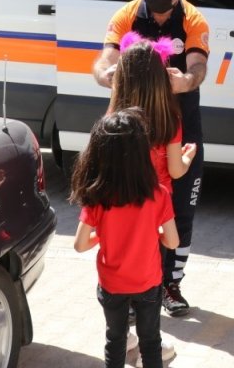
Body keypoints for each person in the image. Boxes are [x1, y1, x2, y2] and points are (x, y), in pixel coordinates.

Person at [92, 0, 209, 317]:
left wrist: (187, 81)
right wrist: (105, 75)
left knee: (180, 211)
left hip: (179, 123)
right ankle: (127, 283)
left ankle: (170, 284)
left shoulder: (192, 17)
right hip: (131, 129)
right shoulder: (126, 14)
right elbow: (104, 60)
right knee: (130, 205)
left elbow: (198, 64)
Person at [71, 109, 179, 368]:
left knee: (115, 339)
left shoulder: (97, 195)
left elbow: (79, 244)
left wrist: (103, 236)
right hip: (148, 282)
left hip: (112, 283)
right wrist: (155, 234)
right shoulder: (159, 194)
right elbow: (173, 242)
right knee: (150, 341)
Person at [110, 34, 196, 195]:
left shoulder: (113, 122)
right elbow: (176, 171)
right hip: (157, 205)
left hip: (122, 201)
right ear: (162, 81)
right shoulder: (168, 120)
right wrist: (187, 157)